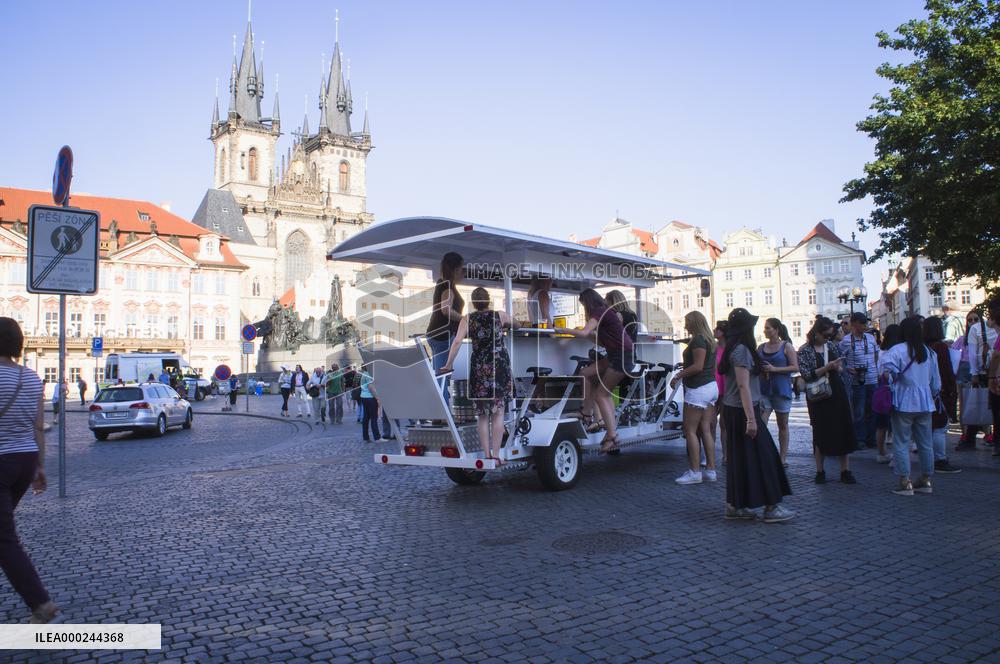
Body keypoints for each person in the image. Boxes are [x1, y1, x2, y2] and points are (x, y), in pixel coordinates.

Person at [0, 317, 59, 623]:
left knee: (4, 539)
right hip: (24, 459)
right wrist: (40, 467)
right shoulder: (32, 377)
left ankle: (40, 603)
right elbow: (38, 426)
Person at [718, 308, 793, 522]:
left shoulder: (735, 347)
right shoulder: (741, 350)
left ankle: (735, 505)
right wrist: (752, 419)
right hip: (742, 411)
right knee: (766, 457)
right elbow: (743, 386)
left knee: (741, 460)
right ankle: (771, 507)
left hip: (735, 410)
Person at [440, 287, 515, 464]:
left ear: (473, 303)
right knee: (498, 413)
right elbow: (517, 324)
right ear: (488, 300)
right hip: (499, 368)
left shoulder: (468, 319)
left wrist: (448, 364)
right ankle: (497, 456)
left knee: (482, 415)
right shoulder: (500, 316)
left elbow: (457, 341)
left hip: (479, 369)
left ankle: (487, 455)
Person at [555, 289, 634, 453]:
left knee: (601, 395)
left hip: (620, 357)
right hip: (617, 354)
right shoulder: (606, 312)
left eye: (583, 304)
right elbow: (601, 341)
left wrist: (565, 330)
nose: (584, 308)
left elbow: (584, 332)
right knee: (585, 373)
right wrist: (588, 333)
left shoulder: (600, 311)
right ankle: (586, 413)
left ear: (588, 302)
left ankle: (612, 435)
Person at [881, 315, 941, 496]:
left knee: (901, 442)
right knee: (925, 443)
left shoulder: (897, 351)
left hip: (903, 401)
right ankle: (926, 479)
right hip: (925, 402)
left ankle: (905, 481)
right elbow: (936, 383)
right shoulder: (929, 352)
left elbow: (886, 375)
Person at [799, 317, 857, 484]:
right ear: (816, 333)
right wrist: (827, 367)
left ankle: (845, 470)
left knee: (843, 428)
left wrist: (839, 367)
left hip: (836, 392)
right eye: (825, 335)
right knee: (820, 431)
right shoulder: (804, 351)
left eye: (830, 335)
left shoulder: (831, 346)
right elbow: (807, 375)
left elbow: (838, 369)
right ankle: (820, 471)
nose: (828, 338)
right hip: (818, 395)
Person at [670, 311, 718, 484]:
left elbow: (698, 366)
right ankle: (711, 470)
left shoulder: (698, 340)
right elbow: (703, 364)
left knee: (689, 430)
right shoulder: (710, 340)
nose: (685, 325)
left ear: (694, 323)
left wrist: (679, 375)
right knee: (705, 428)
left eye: (687, 321)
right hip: (710, 386)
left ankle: (695, 472)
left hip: (698, 388)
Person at [425, 252, 465, 408]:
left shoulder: (442, 283)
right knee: (443, 375)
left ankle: (439, 413)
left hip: (436, 333)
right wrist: (464, 319)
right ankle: (442, 414)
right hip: (444, 335)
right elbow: (446, 309)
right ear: (456, 269)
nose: (463, 272)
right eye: (462, 269)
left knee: (440, 374)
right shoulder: (447, 285)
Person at [758, 318, 798, 467]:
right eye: (765, 328)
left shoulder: (786, 346)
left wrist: (775, 370)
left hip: (781, 390)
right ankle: (763, 453)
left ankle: (782, 458)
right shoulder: (761, 347)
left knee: (783, 424)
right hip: (764, 389)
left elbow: (795, 367)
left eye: (768, 328)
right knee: (762, 422)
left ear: (776, 330)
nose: (765, 330)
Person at [924, 317, 961, 473]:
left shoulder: (923, 346)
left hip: (925, 391)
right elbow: (946, 371)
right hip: (940, 391)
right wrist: (951, 389)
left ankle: (931, 458)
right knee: (940, 427)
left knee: (928, 427)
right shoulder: (940, 347)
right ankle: (940, 459)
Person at [957, 307, 997, 451]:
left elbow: (973, 354)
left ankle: (970, 438)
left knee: (977, 403)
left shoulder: (975, 330)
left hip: (983, 372)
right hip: (995, 372)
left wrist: (974, 373)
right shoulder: (991, 328)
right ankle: (992, 437)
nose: (973, 322)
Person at [838, 312, 879, 450]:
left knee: (872, 410)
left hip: (873, 379)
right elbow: (840, 361)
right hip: (857, 382)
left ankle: (871, 438)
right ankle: (860, 439)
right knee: (859, 411)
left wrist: (876, 370)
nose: (865, 326)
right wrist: (848, 369)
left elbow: (876, 355)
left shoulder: (871, 338)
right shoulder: (845, 341)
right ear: (854, 324)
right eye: (862, 324)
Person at [875, 324, 903, 463]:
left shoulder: (881, 351)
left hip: (882, 390)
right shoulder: (899, 351)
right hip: (895, 391)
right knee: (897, 425)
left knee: (882, 425)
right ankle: (898, 457)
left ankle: (881, 453)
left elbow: (879, 372)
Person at [713, 320, 728, 464]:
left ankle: (725, 455)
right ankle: (709, 454)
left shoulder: (730, 348)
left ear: (722, 332)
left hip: (726, 388)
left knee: (724, 423)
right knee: (710, 422)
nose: (714, 330)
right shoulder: (713, 348)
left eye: (717, 329)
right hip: (714, 387)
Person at [358, 364, 381, 442]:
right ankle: (377, 437)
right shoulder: (369, 374)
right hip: (370, 398)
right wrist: (377, 398)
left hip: (364, 397)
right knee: (374, 418)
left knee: (366, 418)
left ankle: (366, 437)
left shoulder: (364, 373)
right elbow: (371, 387)